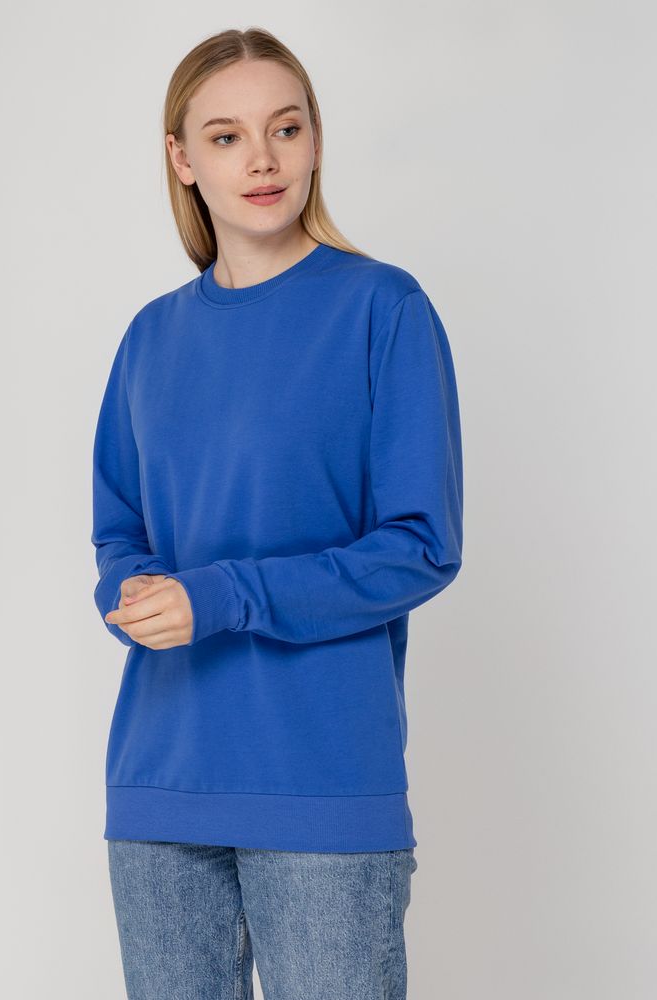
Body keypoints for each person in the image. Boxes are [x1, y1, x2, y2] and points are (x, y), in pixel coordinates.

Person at [90, 25, 463, 1000]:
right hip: (161, 780)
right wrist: (131, 592)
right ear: (182, 159)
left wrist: (220, 597)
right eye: (225, 137)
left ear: (314, 140)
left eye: (285, 128)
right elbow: (120, 529)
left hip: (322, 779)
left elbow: (421, 547)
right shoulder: (150, 339)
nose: (262, 158)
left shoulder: (383, 310)